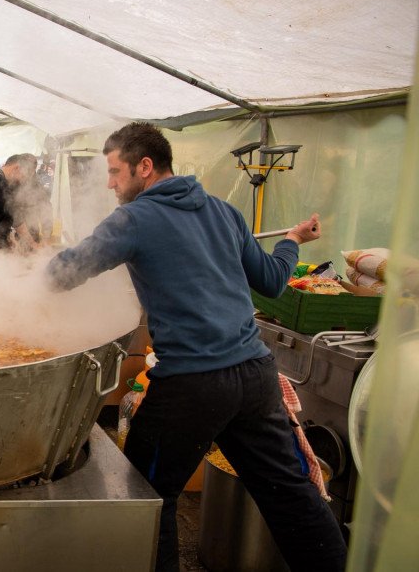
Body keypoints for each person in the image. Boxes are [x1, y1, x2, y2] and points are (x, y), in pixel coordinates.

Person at [43, 123, 345, 572]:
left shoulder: (134, 218)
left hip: (192, 385)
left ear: (144, 167)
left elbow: (65, 273)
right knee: (291, 495)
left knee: (148, 494)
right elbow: (272, 280)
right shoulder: (225, 212)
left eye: (114, 172)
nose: (109, 184)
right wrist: (292, 241)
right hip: (256, 376)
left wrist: (33, 277)